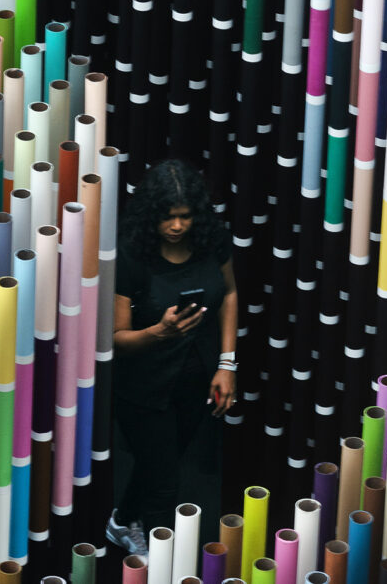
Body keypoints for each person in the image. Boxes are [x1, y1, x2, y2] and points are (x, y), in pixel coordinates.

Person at [106, 160, 238, 556]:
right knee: (164, 482)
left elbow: (229, 294)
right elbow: (116, 337)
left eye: (185, 216)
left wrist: (226, 364)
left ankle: (120, 522)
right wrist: (157, 332)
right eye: (169, 218)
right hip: (143, 389)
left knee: (157, 464)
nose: (178, 226)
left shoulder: (213, 241)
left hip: (195, 379)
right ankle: (158, 562)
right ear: (153, 217)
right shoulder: (132, 255)